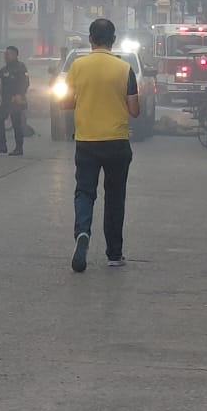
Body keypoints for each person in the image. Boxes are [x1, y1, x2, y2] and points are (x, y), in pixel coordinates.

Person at [64, 18, 140, 272]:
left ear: (90, 39)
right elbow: (134, 110)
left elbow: (65, 103)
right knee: (115, 196)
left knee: (84, 192)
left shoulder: (77, 66)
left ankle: (82, 233)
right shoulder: (124, 69)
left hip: (86, 140)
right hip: (117, 141)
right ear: (113, 41)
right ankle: (114, 254)